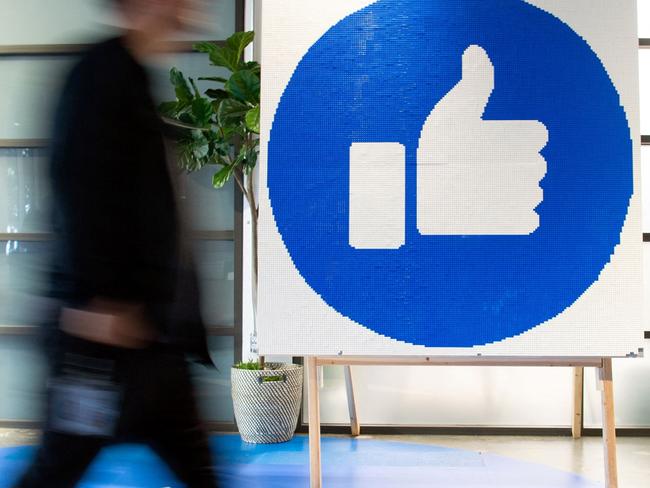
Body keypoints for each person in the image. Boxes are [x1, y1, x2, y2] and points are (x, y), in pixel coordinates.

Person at [14, 0, 218, 486]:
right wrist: (96, 299)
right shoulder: (101, 76)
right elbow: (76, 185)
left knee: (199, 469)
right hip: (105, 343)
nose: (192, 9)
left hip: (148, 342)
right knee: (59, 467)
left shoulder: (131, 77)